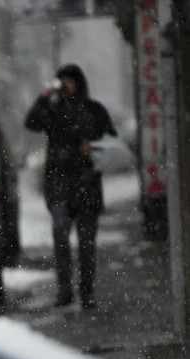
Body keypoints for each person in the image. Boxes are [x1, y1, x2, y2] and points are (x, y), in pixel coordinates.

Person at [25, 64, 117, 309]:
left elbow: (112, 142)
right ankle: (64, 289)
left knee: (87, 244)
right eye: (61, 81)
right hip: (59, 184)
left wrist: (94, 147)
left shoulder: (94, 110)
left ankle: (87, 292)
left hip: (87, 184)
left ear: (79, 84)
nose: (65, 86)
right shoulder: (53, 109)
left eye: (69, 81)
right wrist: (45, 96)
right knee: (60, 237)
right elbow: (31, 122)